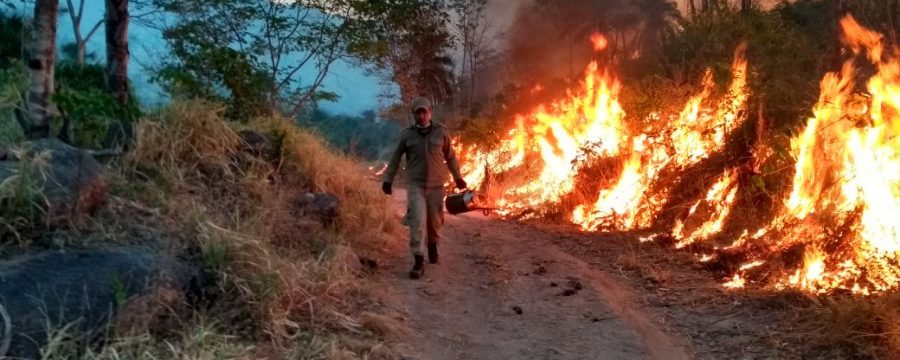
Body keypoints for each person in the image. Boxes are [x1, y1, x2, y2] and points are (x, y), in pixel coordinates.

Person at [382, 97, 467, 279]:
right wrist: (388, 180)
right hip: (416, 186)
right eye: (418, 113)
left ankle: (432, 245)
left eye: (424, 112)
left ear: (430, 112)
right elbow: (395, 158)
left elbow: (450, 157)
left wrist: (458, 178)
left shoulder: (441, 132)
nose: (421, 116)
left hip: (436, 186)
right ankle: (418, 261)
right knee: (418, 222)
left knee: (434, 223)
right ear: (413, 114)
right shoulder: (407, 135)